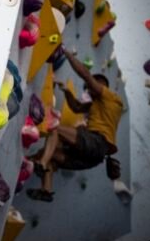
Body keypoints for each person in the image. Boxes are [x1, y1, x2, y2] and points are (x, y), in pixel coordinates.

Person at [27, 48, 124, 202]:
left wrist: (68, 55)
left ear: (101, 85)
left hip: (97, 142)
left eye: (92, 85)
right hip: (93, 158)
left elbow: (85, 74)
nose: (89, 88)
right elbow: (77, 107)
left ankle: (41, 163)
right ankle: (46, 190)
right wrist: (66, 91)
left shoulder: (109, 97)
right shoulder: (99, 104)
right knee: (51, 155)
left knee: (54, 128)